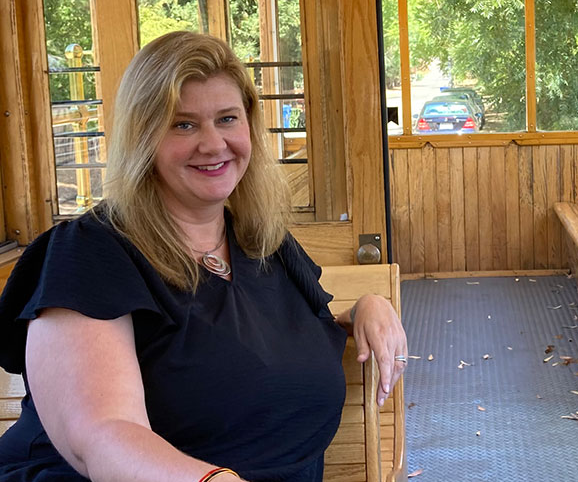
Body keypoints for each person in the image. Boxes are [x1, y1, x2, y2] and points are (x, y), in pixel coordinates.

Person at [0, 31, 407, 481]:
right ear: (143, 138)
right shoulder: (89, 253)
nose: (214, 144)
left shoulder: (263, 241)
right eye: (184, 124)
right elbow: (101, 433)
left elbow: (279, 346)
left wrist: (367, 308)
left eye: (228, 119)